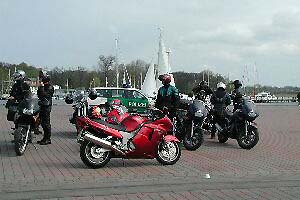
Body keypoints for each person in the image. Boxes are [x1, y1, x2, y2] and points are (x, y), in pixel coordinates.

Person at [37, 70, 54, 145]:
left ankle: (47, 139)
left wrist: (41, 87)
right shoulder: (44, 86)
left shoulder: (50, 87)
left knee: (46, 123)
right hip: (42, 105)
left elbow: (45, 94)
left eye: (42, 78)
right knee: (42, 122)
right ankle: (44, 138)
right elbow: (39, 94)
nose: (41, 79)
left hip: (46, 106)